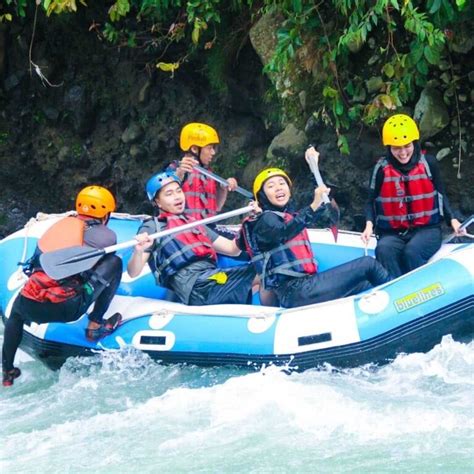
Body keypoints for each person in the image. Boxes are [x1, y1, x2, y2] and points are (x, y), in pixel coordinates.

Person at [2, 186, 123, 387]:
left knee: (16, 315)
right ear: (106, 214)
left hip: (31, 303)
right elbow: (98, 259)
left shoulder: (57, 228)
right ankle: (95, 325)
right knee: (114, 262)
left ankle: (7, 371)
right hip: (68, 307)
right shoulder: (107, 236)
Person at [240, 166, 391, 308]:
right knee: (367, 264)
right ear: (262, 196)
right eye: (271, 186)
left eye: (282, 183)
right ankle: (398, 295)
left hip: (304, 289)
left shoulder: (288, 217)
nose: (278, 187)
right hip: (296, 290)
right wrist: (314, 204)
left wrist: (323, 187)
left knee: (365, 284)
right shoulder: (265, 220)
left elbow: (328, 212)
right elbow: (284, 232)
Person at [127, 171, 256, 306]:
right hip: (196, 287)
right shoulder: (152, 227)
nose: (177, 197)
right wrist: (138, 251)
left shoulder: (194, 223)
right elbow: (133, 272)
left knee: (264, 267)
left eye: (178, 191)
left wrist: (250, 222)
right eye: (169, 194)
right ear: (158, 202)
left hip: (212, 277)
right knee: (262, 272)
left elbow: (232, 249)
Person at [361, 114, 464, 278]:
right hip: (393, 233)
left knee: (412, 252)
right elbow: (370, 202)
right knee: (383, 249)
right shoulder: (381, 169)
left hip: (427, 230)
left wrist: (452, 219)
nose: (402, 153)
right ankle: (395, 291)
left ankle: (420, 291)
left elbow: (441, 194)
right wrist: (368, 225)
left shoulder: (429, 164)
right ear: (389, 147)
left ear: (414, 143)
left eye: (406, 146)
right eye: (396, 148)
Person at [167, 122, 239, 221]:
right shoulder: (176, 167)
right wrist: (180, 172)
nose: (213, 152)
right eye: (209, 148)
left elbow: (217, 207)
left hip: (208, 228)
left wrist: (223, 188)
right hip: (185, 227)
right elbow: (167, 193)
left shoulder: (208, 173)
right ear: (194, 149)